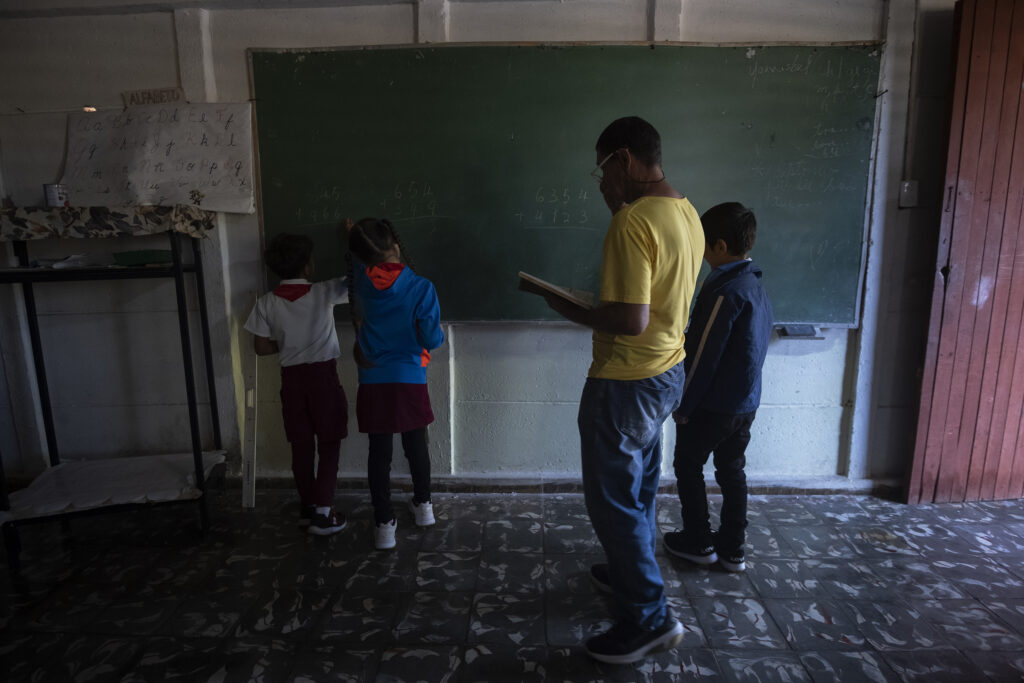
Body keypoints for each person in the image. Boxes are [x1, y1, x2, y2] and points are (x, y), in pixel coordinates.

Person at [544, 116, 704, 664]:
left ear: (625, 161)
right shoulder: (686, 213)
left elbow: (631, 318)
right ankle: (626, 571)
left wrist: (568, 307)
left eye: (604, 169)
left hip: (625, 381)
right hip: (665, 373)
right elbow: (659, 303)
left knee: (612, 499)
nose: (602, 182)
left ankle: (649, 620)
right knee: (636, 488)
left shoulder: (633, 223)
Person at [664, 202, 773, 573]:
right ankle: (733, 549)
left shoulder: (724, 291)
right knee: (731, 470)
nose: (699, 250)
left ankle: (698, 540)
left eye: (703, 244)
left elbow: (703, 356)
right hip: (745, 404)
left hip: (714, 405)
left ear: (721, 247)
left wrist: (683, 405)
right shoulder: (755, 284)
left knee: (687, 463)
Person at [346, 217, 445, 551]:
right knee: (416, 445)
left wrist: (353, 240)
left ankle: (384, 524)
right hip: (410, 377)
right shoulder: (422, 287)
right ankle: (424, 507)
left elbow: (362, 267)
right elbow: (432, 338)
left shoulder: (360, 283)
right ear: (397, 247)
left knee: (380, 452)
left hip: (373, 378)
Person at [244, 233, 350, 536]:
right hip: (323, 379)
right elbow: (356, 282)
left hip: (291, 381)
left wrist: (289, 346)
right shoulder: (324, 291)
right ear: (307, 267)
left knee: (301, 447)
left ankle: (307, 508)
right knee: (329, 445)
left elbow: (261, 348)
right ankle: (323, 513)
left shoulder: (266, 303)